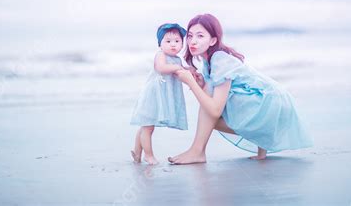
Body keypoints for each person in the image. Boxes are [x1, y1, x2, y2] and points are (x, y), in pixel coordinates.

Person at [168, 14, 313, 164]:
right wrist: (201, 83)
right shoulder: (209, 60)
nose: (193, 41)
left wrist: (191, 82)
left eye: (200, 36)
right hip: (270, 102)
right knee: (210, 105)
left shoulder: (219, 59)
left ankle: (197, 152)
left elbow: (215, 110)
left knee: (211, 111)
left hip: (270, 105)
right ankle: (199, 151)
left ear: (213, 40)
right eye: (190, 36)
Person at [130, 23, 189, 165]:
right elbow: (161, 68)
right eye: (168, 41)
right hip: (154, 95)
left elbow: (179, 73)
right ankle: (148, 155)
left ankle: (137, 152)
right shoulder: (160, 55)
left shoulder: (177, 60)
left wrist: (188, 70)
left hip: (162, 96)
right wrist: (178, 67)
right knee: (148, 127)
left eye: (177, 41)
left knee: (146, 125)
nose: (173, 44)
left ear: (182, 44)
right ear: (160, 44)